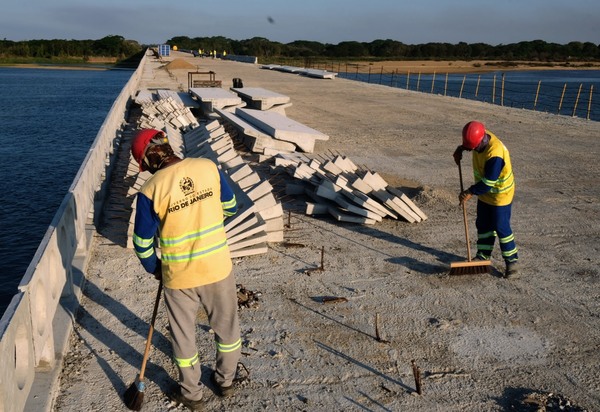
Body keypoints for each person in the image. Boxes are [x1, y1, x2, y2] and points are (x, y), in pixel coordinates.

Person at [130, 128, 241, 410]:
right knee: (227, 330)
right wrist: (206, 228)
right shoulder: (208, 167)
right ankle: (225, 381)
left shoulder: (151, 190)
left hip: (179, 276)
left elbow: (142, 243)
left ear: (148, 160)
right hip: (218, 267)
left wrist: (155, 268)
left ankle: (192, 394)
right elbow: (230, 207)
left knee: (183, 336)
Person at [453, 121, 520, 279]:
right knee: (483, 224)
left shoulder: (495, 155)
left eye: (474, 148)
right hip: (484, 192)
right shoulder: (480, 136)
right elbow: (471, 142)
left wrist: (469, 192)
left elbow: (489, 183)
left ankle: (512, 263)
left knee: (501, 227)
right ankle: (483, 256)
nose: (473, 150)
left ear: (482, 140)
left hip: (500, 195)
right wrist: (460, 149)